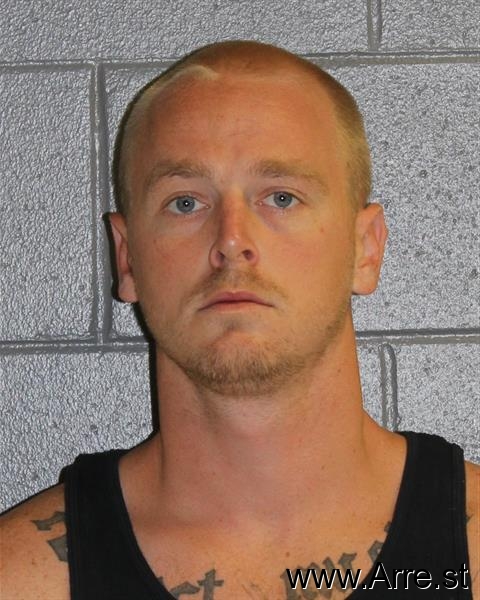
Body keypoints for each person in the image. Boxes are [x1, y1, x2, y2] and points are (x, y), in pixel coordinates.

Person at [0, 40, 478, 600]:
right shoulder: (22, 579)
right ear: (127, 259)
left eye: (281, 197)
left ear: (365, 249)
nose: (231, 240)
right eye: (185, 202)